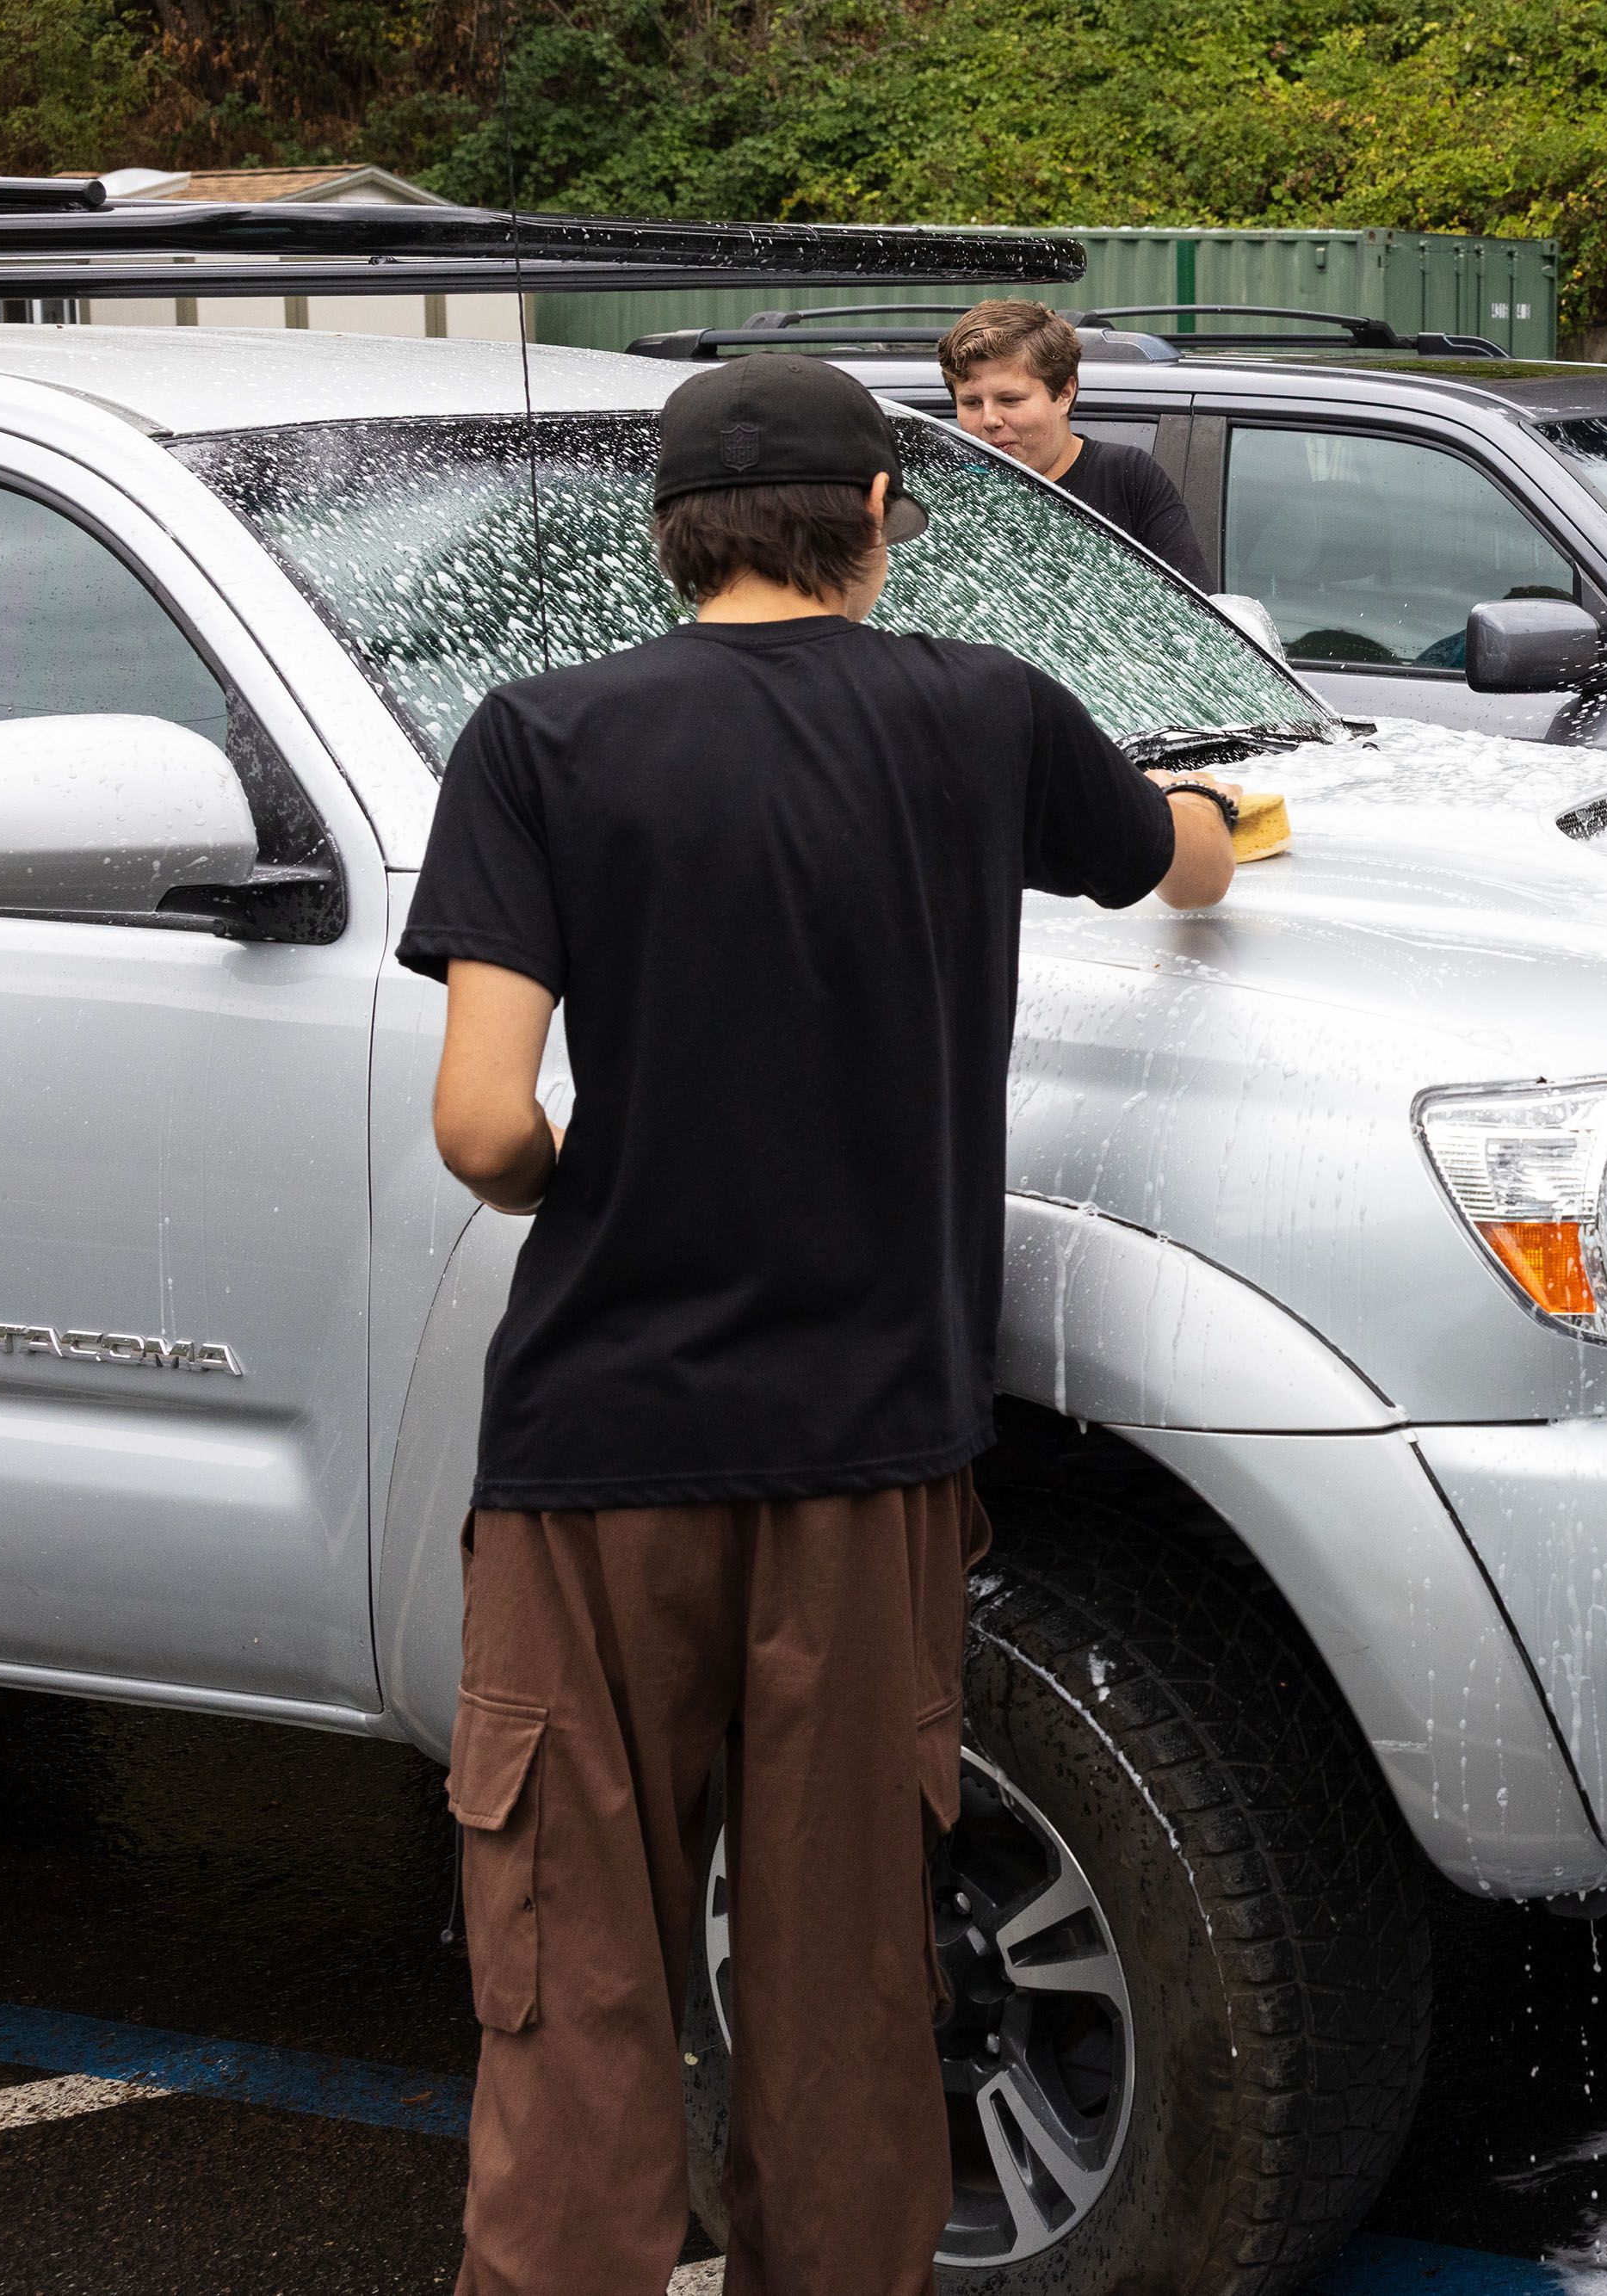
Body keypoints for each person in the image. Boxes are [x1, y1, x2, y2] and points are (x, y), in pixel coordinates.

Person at [397, 352, 1237, 2296]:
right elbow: (1168, 853)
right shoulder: (985, 715)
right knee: (847, 1980)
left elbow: (479, 1120)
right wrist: (1212, 823)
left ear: (674, 537)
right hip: (871, 1458)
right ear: (874, 516)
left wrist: (567, 1186)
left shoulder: (541, 736)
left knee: (573, 1976)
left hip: (598, 1457)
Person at [938, 298, 1211, 586]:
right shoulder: (949, 492)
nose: (989, 419)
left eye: (1010, 400)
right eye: (971, 403)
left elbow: (1194, 614)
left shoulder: (1127, 479)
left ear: (1065, 393)